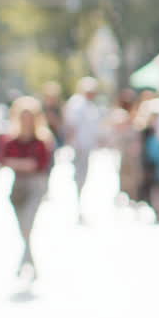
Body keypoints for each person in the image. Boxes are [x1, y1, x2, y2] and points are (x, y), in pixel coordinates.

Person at [0, 96, 54, 279]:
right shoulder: (11, 139)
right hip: (18, 186)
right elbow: (3, 159)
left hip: (35, 185)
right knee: (22, 227)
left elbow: (39, 164)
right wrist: (23, 164)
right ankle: (29, 263)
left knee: (28, 224)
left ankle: (26, 264)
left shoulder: (42, 140)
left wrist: (19, 164)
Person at [63, 76, 104, 217]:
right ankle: (76, 202)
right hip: (79, 145)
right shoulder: (77, 103)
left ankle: (79, 201)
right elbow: (72, 125)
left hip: (86, 145)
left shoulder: (89, 105)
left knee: (83, 174)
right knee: (79, 174)